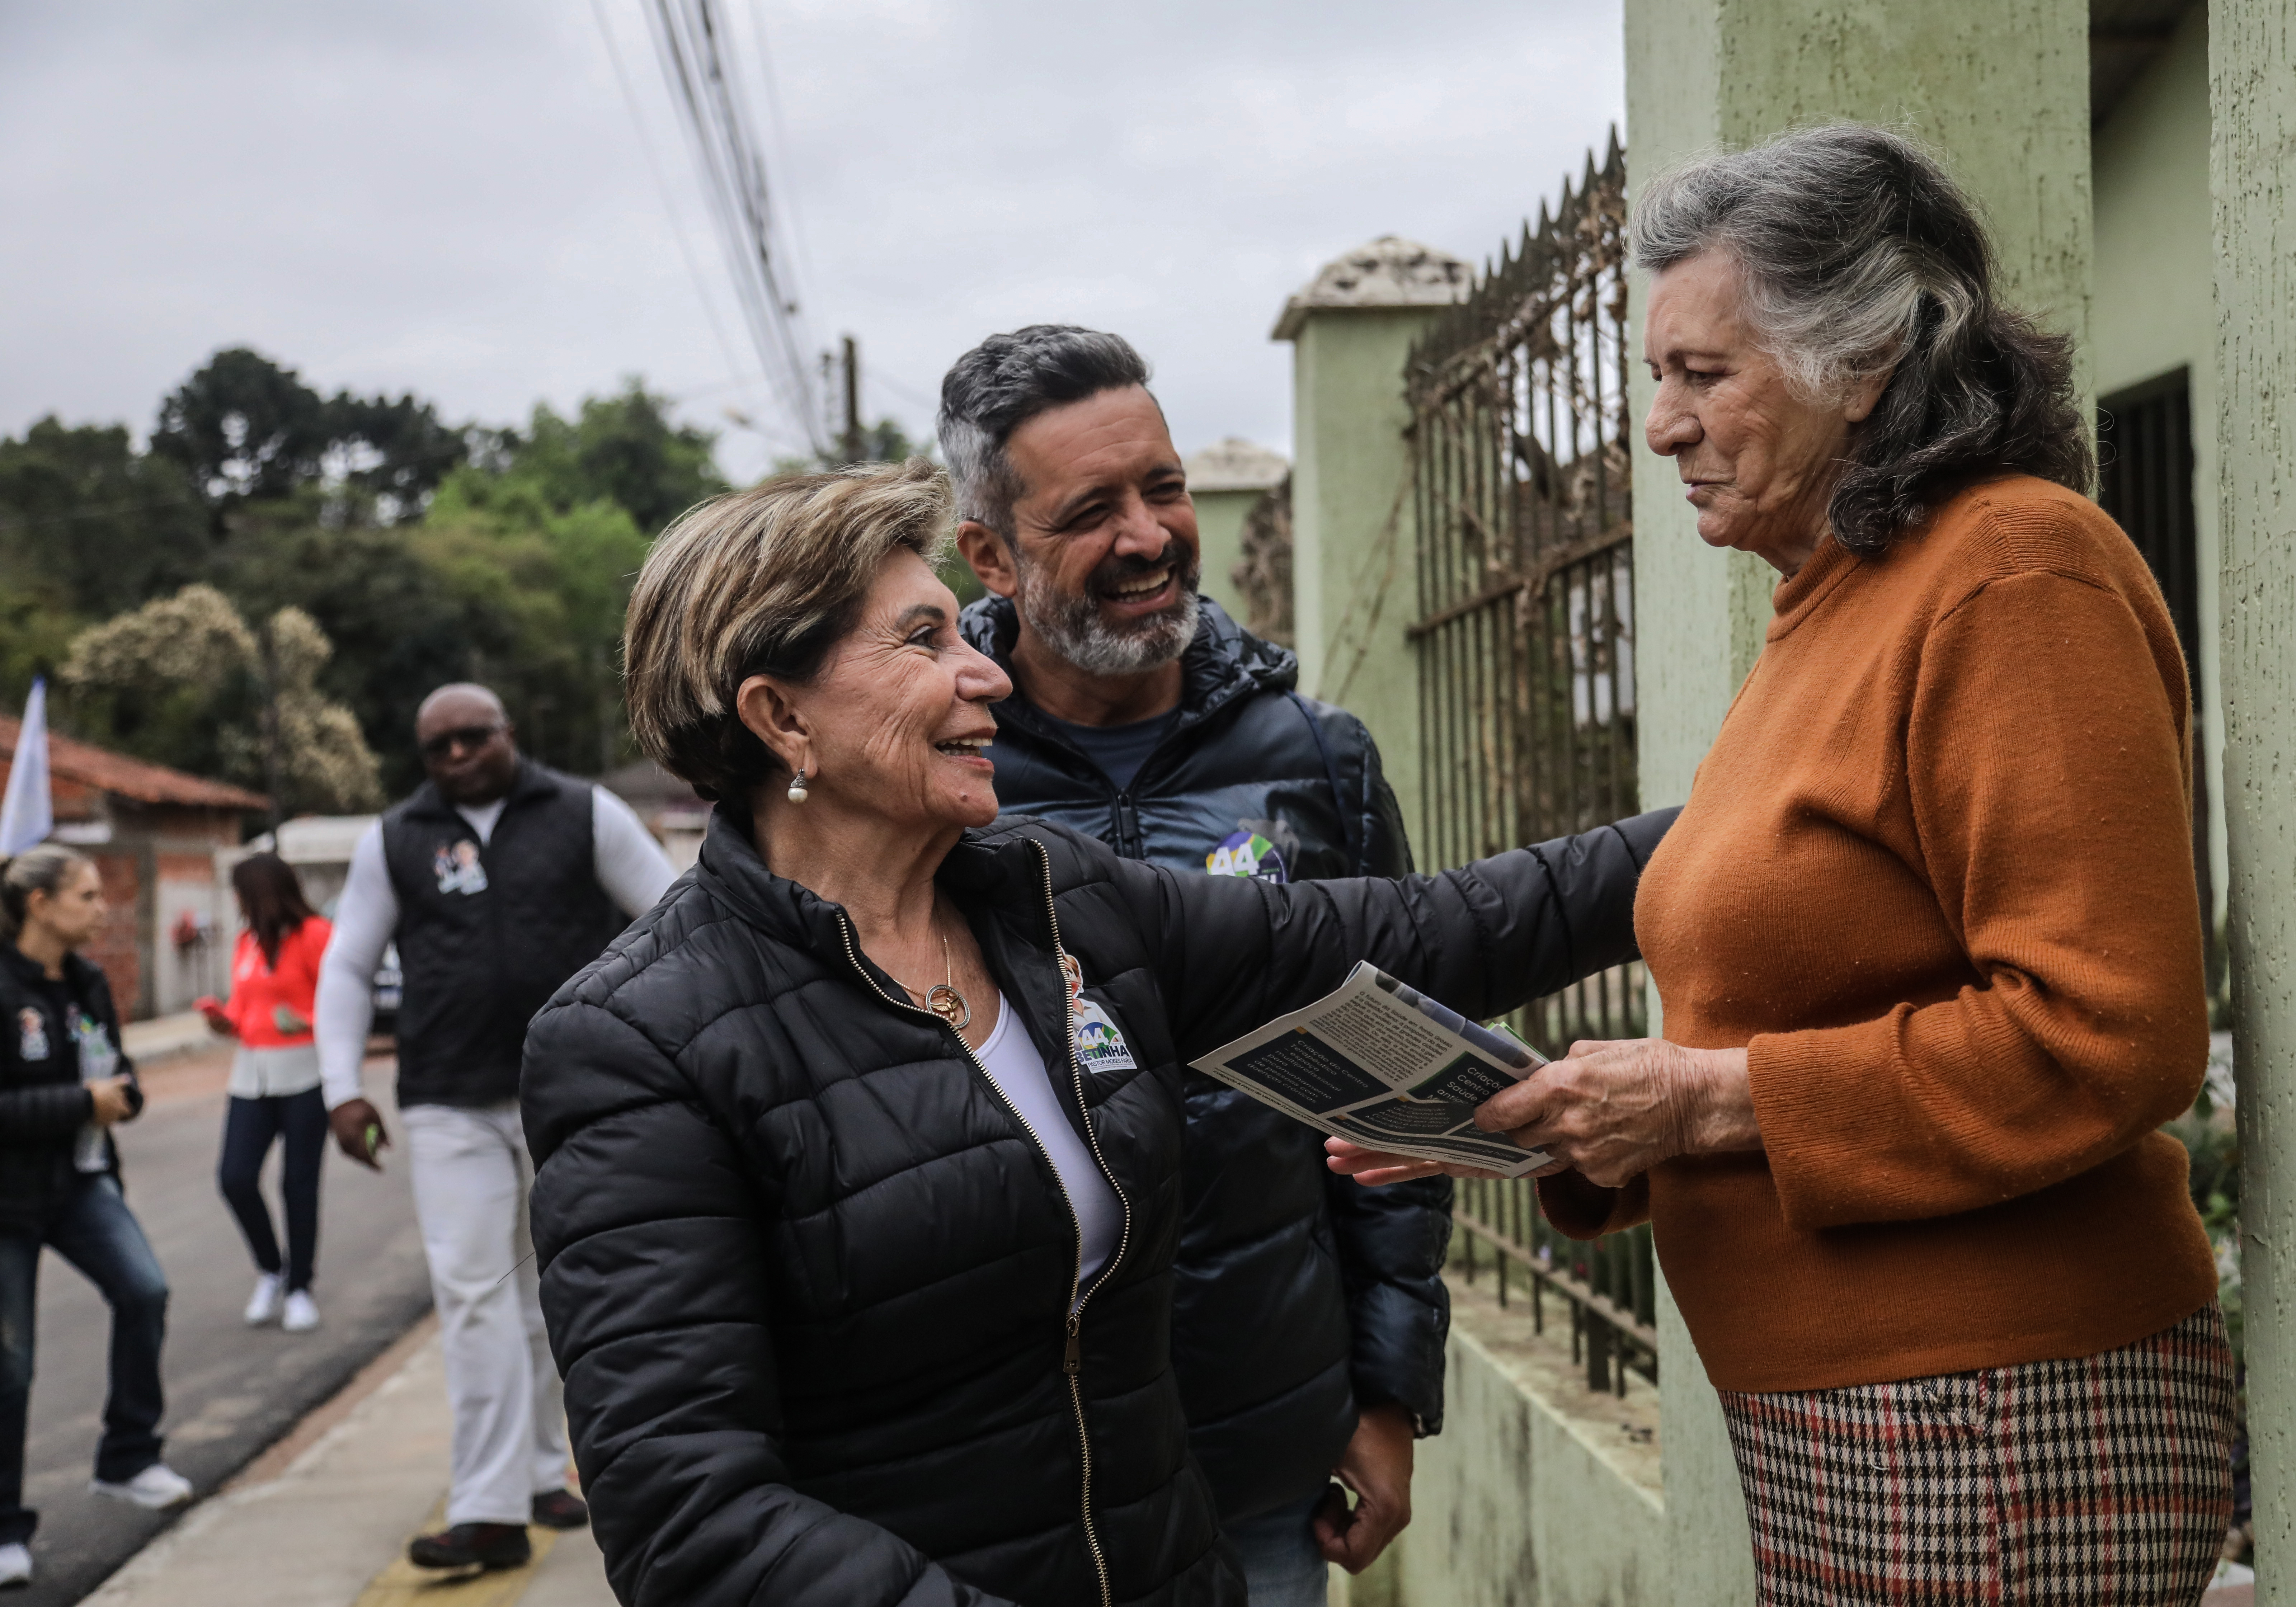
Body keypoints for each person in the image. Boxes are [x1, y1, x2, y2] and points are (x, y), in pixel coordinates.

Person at [1332, 123, 2233, 1604]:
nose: (1664, 428)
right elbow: (1788, 1017)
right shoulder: (1832, 603)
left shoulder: (2015, 572)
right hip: (1876, 1422)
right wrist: (1572, 1124)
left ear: (1864, 364)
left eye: (1706, 375)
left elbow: (2112, 1034)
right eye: (1657, 379)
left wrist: (1695, 1103)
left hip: (1998, 1417)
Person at [520, 459, 1676, 1607]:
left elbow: (1436, 930)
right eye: (924, 641)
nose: (988, 673)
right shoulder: (639, 1042)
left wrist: (1745, 821)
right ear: (783, 719)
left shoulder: (1055, 900)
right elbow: (688, 1514)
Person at [942, 325, 1448, 1603]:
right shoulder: (938, 774)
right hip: (1004, 1469)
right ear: (991, 553)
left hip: (1262, 1446)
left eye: (1163, 487)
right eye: (1091, 510)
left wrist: (1388, 1391)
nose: (1150, 536)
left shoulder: (1317, 761)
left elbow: (1392, 1082)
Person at [315, 684, 675, 1573]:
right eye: (436, 747)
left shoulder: (587, 811)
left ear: (509, 732)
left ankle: (543, 1471)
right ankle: (487, 1509)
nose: (456, 757)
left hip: (572, 1092)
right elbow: (349, 964)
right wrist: (339, 1088)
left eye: (473, 738)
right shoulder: (396, 836)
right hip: (448, 1098)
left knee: (552, 1290)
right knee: (474, 1291)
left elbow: (675, 917)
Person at [0, 847, 191, 1590]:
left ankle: (128, 1457)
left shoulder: (86, 981)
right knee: (11, 1365)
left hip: (81, 1183)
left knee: (144, 1290)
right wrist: (83, 1104)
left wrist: (124, 1096)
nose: (101, 906)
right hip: (8, 1200)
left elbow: (120, 1073)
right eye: (85, 895)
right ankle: (6, 1525)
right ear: (40, 904)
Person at [199, 852, 332, 1334]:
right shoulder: (246, 942)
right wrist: (223, 1021)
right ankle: (271, 1269)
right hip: (251, 1076)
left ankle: (300, 1288)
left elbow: (341, 1002)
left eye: (239, 892)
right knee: (235, 1178)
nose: (234, 902)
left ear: (259, 892)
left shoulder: (315, 935)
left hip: (305, 1074)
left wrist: (309, 1021)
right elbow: (243, 1010)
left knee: (298, 1185)